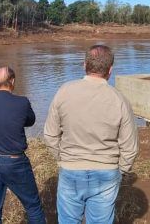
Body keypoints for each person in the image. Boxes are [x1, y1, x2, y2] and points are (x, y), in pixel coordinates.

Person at [44, 44, 139, 224]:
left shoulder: (64, 91)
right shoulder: (119, 99)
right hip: (107, 172)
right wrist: (122, 171)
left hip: (71, 169)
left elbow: (50, 135)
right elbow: (130, 147)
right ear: (110, 70)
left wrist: (63, 158)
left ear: (84, 64)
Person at [0, 66, 46, 224]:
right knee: (33, 206)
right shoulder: (22, 102)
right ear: (13, 81)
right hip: (15, 161)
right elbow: (30, 121)